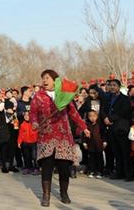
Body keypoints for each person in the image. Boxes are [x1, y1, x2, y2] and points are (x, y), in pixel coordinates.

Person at [30, 70, 89, 207]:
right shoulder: (38, 96)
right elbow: (33, 113)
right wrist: (34, 122)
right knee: (46, 167)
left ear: (55, 80)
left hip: (63, 136)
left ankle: (64, 193)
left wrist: (84, 127)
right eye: (43, 78)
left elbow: (74, 114)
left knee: (64, 168)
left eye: (47, 78)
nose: (44, 81)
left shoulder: (64, 95)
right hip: (46, 136)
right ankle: (46, 195)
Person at [101, 79, 133, 181]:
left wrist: (110, 119)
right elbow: (102, 110)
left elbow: (123, 112)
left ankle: (128, 174)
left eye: (114, 85)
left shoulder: (125, 99)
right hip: (111, 129)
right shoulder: (107, 98)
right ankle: (118, 172)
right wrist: (105, 118)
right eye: (110, 85)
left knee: (125, 152)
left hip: (121, 128)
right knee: (116, 153)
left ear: (119, 87)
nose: (112, 87)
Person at [82, 110, 106, 178]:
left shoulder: (100, 125)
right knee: (91, 158)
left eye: (94, 116)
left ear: (97, 116)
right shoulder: (87, 125)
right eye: (90, 116)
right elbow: (84, 135)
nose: (92, 118)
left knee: (99, 158)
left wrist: (104, 141)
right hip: (90, 144)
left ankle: (100, 171)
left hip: (99, 144)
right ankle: (92, 170)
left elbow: (103, 134)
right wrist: (84, 143)